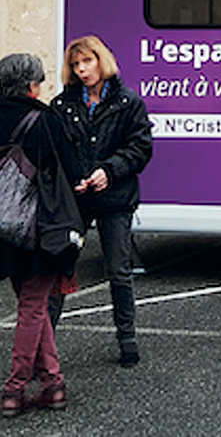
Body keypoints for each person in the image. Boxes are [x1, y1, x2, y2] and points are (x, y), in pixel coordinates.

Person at [51, 36, 153, 368]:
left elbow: (140, 148)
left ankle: (127, 340)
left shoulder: (128, 102)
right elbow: (55, 151)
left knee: (119, 271)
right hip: (75, 201)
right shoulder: (62, 105)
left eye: (87, 62)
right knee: (59, 267)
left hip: (115, 199)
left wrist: (109, 171)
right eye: (76, 64)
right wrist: (73, 177)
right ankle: (44, 344)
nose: (82, 70)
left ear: (101, 61)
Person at [0, 54, 80, 417]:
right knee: (33, 306)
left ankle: (53, 384)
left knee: (32, 304)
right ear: (32, 85)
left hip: (3, 231)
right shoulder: (47, 121)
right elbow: (73, 171)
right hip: (39, 230)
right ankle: (15, 389)